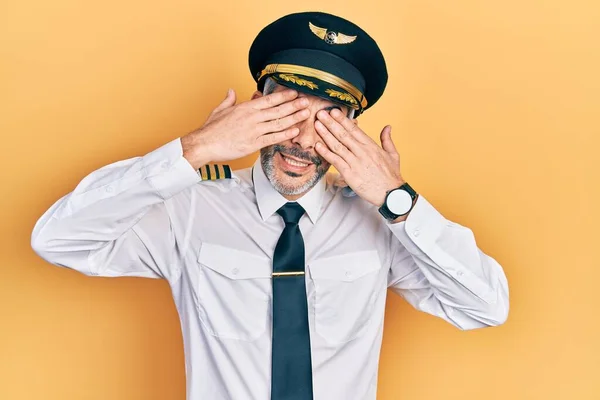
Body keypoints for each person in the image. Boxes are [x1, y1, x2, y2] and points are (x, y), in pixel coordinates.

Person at [31, 11, 509, 400]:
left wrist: (397, 200)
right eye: (286, 111)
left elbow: (485, 306)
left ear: (353, 131)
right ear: (256, 105)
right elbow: (58, 239)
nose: (302, 140)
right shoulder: (191, 208)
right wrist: (193, 150)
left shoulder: (383, 222)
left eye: (327, 121)